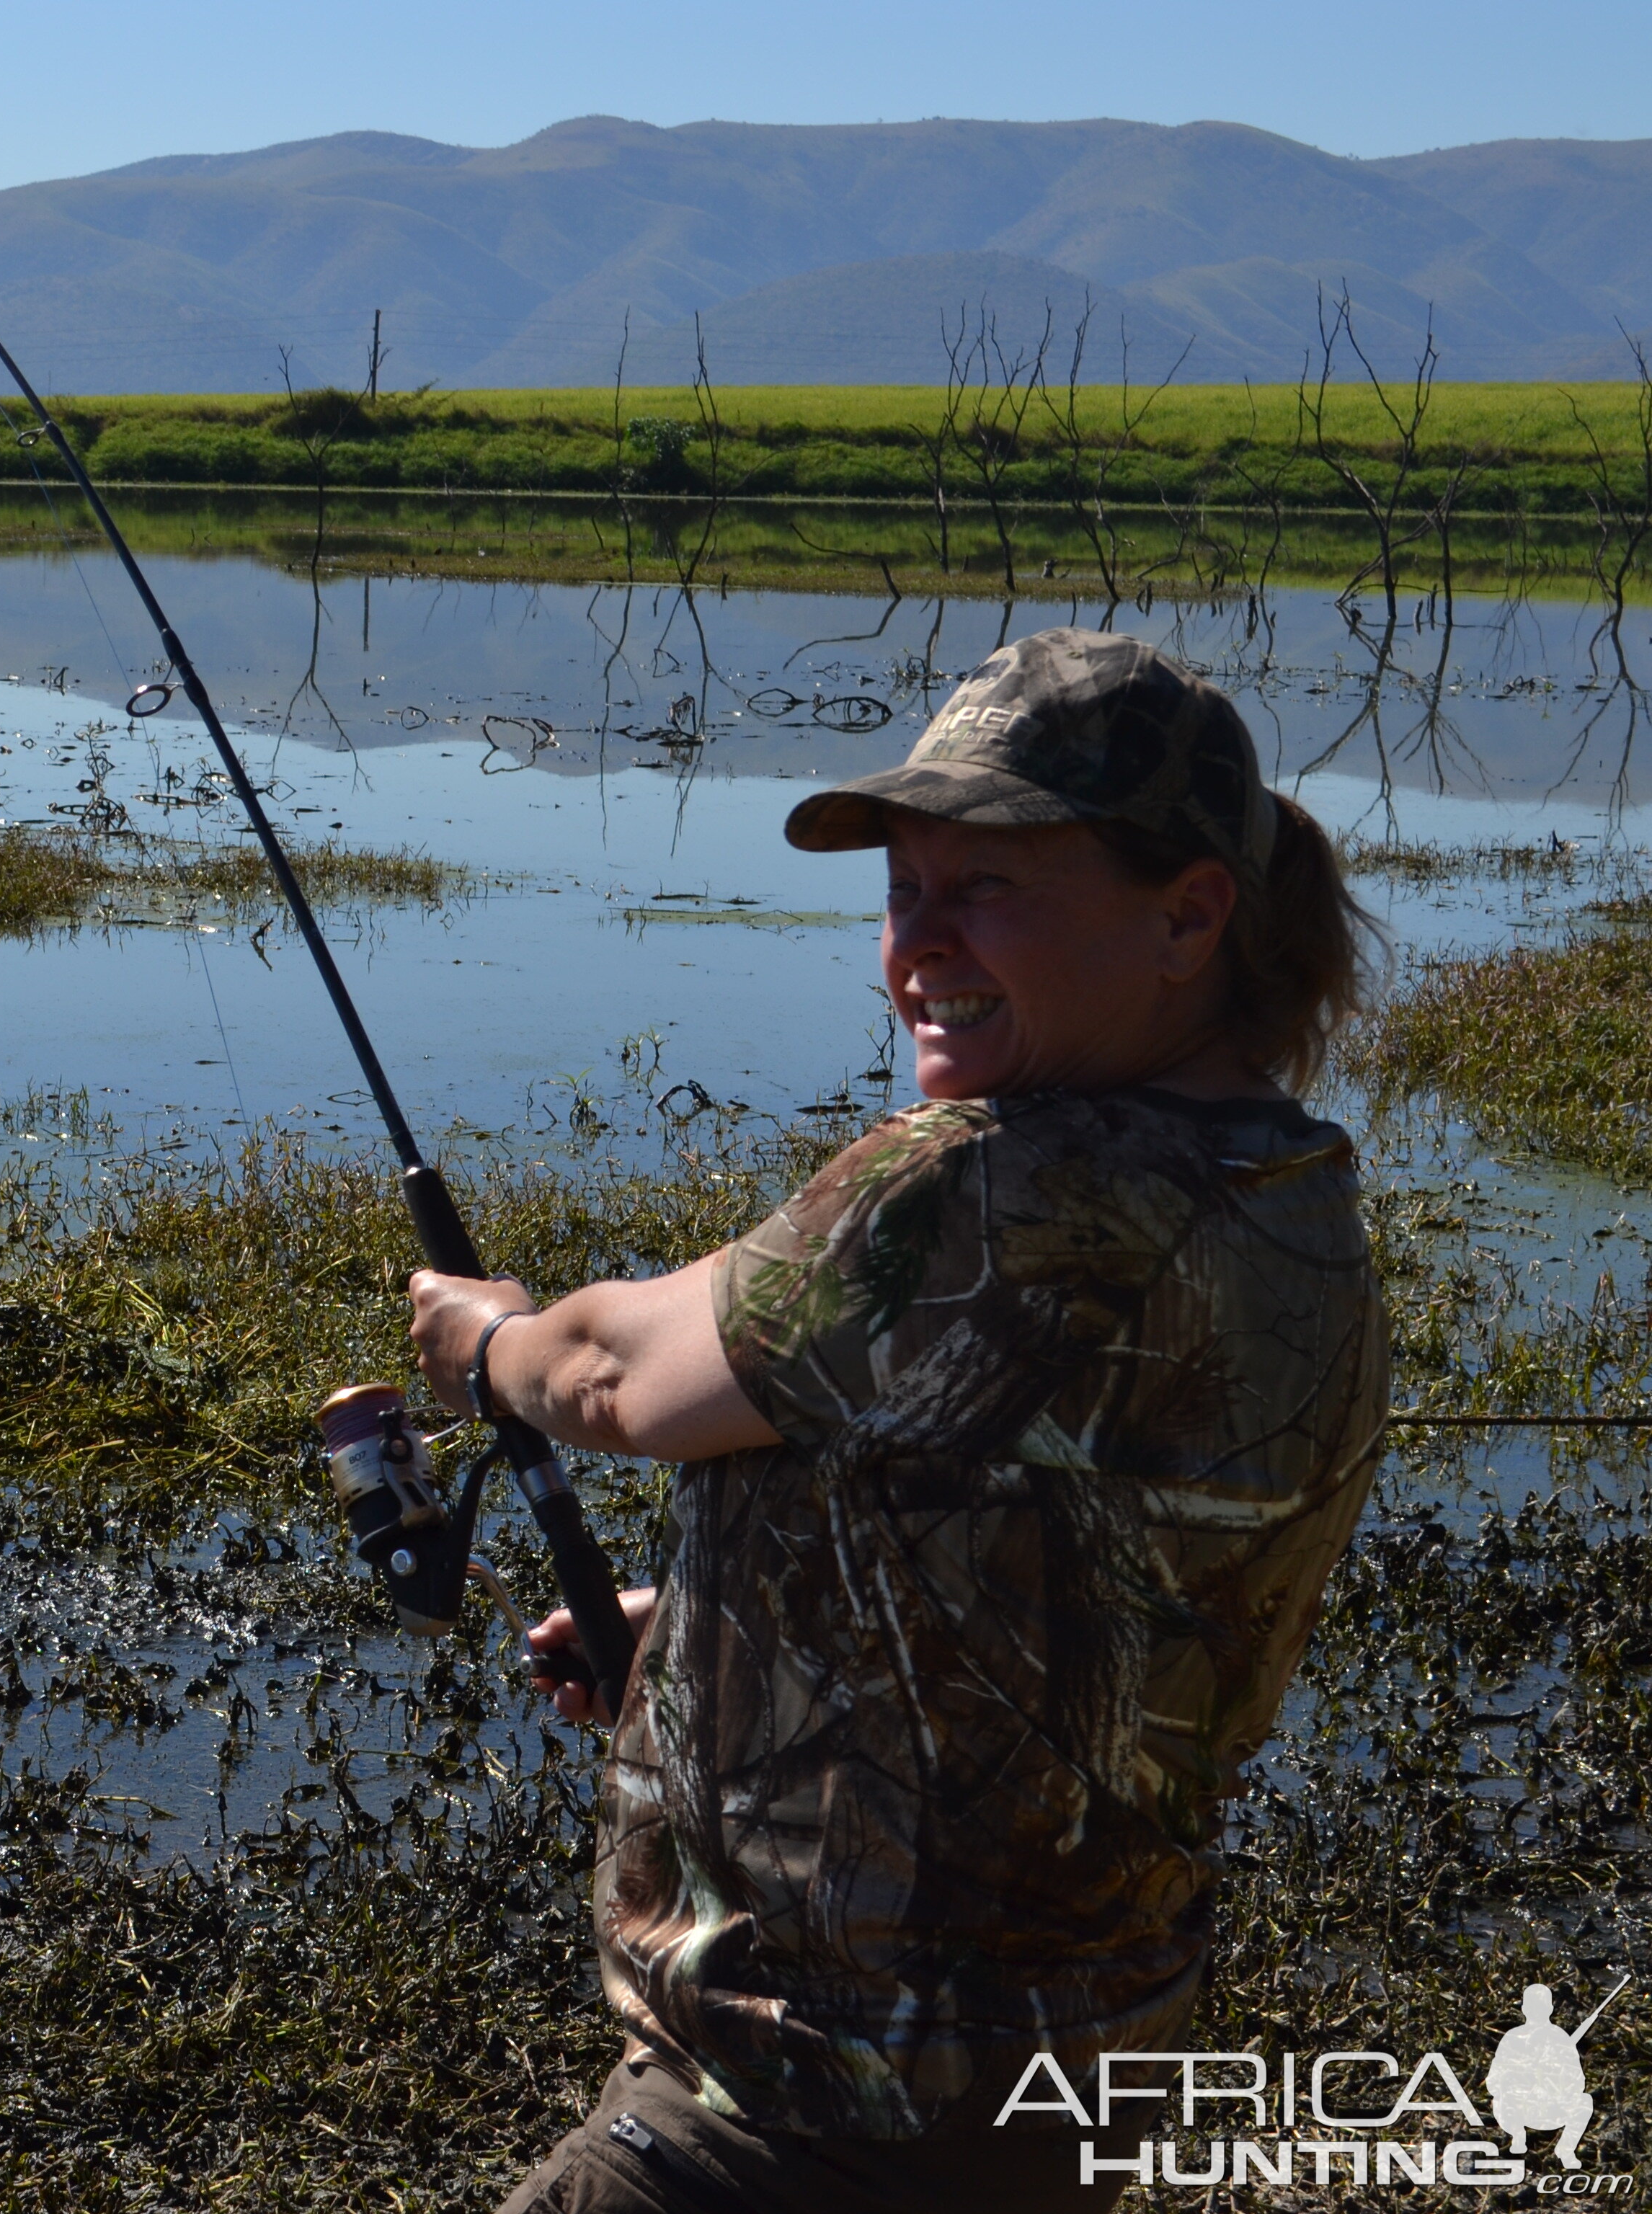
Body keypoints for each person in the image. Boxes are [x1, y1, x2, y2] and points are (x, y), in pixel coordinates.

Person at [407, 628, 1391, 2214]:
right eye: (903, 892)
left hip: (814, 2096)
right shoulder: (1296, 1197)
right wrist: (719, 1637)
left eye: (988, 887)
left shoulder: (983, 1185)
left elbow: (617, 1378)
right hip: (1075, 2077)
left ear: (1190, 915)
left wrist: (489, 1342)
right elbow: (1072, 1586)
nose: (920, 943)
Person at [1488, 1983, 1598, 2169]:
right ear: (1524, 2009)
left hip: (1552, 2109)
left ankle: (1566, 2149)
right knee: (1502, 2095)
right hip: (1520, 2110)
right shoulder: (1513, 2038)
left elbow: (1578, 2082)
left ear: (1550, 2009)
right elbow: (1494, 2082)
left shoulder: (1561, 2039)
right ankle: (1518, 2136)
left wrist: (1555, 2080)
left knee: (1585, 2101)